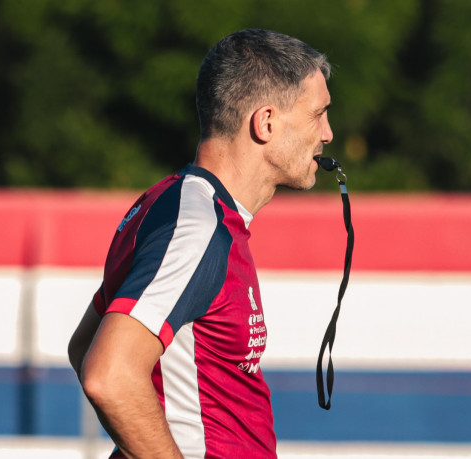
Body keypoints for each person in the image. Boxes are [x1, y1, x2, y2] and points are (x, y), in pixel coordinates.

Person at [68, 28, 333, 458]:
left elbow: (84, 346)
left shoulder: (177, 206)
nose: (328, 134)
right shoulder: (197, 226)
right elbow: (108, 375)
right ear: (266, 122)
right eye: (317, 114)